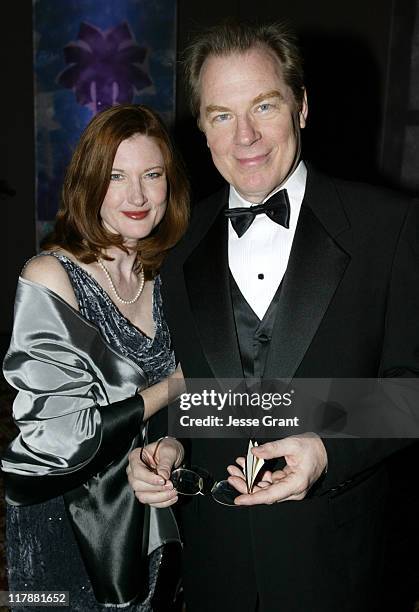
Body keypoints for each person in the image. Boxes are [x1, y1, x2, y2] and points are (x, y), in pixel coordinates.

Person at [127, 20, 419, 612]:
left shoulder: (390, 227)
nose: (246, 138)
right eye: (221, 115)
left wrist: (327, 446)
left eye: (264, 105)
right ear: (202, 129)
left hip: (341, 571)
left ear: (302, 107)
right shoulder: (175, 246)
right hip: (216, 573)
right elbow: (198, 395)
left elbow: (410, 391)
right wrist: (170, 449)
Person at [1, 104, 189, 611]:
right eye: (116, 176)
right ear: (88, 183)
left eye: (152, 175)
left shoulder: (165, 275)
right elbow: (57, 437)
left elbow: (176, 412)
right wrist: (171, 386)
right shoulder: (51, 277)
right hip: (62, 518)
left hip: (145, 506)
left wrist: (169, 447)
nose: (137, 195)